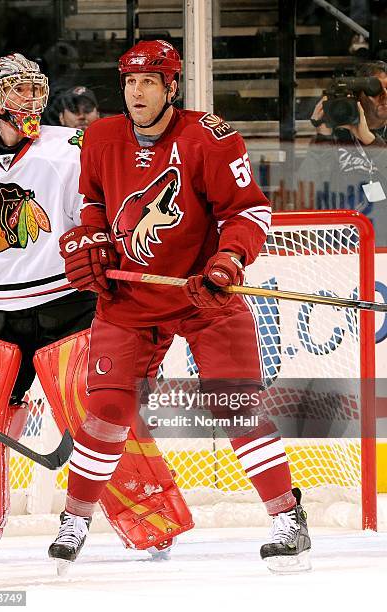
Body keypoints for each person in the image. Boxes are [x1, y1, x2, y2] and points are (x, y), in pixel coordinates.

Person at [51, 39, 311, 574]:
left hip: (201, 295)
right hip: (129, 299)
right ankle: (75, 519)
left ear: (172, 87)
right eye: (128, 82)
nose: (136, 91)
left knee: (234, 404)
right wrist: (89, 243)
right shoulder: (100, 137)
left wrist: (228, 263)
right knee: (106, 411)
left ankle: (288, 517)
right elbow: (93, 206)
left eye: (148, 82)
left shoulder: (209, 138)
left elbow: (250, 213)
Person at [0, 52, 97, 584]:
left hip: (63, 304)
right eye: (16, 91)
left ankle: (152, 517)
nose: (29, 101)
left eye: (33, 89)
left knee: (95, 418)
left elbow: (107, 205)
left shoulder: (71, 148)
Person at [296, 60, 387, 246]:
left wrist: (369, 140)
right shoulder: (336, 135)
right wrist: (322, 136)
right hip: (341, 245)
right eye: (376, 91)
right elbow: (306, 189)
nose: (384, 97)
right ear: (359, 96)